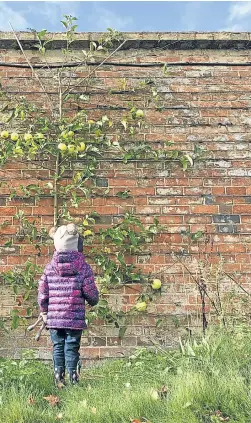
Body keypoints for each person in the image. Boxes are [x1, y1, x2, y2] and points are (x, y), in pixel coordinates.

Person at [38, 223, 99, 387]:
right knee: (71, 348)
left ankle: (59, 379)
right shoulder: (83, 268)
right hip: (74, 319)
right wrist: (93, 300)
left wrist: (44, 311)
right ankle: (73, 380)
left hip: (55, 319)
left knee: (58, 347)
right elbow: (91, 295)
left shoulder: (49, 268)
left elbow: (43, 292)